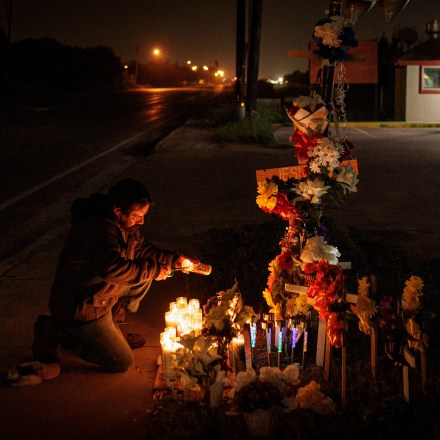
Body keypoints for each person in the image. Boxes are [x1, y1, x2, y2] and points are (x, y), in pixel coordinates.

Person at [32, 178, 198, 373]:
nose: (142, 221)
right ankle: (55, 331)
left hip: (99, 295)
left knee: (143, 278)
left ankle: (111, 331)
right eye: (137, 215)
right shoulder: (97, 229)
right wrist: (153, 270)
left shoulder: (123, 225)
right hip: (81, 307)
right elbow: (111, 269)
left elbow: (141, 249)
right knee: (120, 361)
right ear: (118, 211)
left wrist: (173, 259)